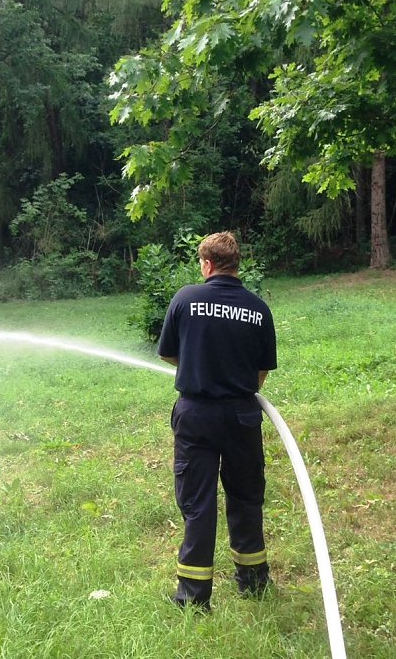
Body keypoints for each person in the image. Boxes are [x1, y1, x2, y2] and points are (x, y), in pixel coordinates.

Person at [157, 231, 277, 611]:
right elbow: (261, 374)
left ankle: (193, 598)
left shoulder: (185, 299)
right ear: (236, 264)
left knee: (198, 504)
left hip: (196, 416)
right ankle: (254, 584)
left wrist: (199, 367)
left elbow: (168, 355)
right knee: (246, 498)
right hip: (242, 416)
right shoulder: (258, 309)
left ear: (206, 264)